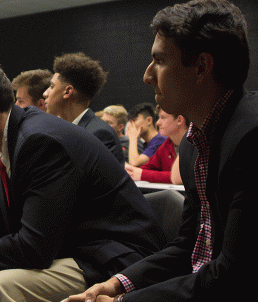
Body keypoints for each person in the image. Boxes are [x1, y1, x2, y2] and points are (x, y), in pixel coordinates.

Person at [0, 56, 165, 302]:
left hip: (113, 256)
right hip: (75, 245)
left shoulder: (40, 141)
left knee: (2, 285)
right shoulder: (6, 139)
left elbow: (35, 248)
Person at [65, 1, 256, 301]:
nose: (147, 75)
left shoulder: (251, 139)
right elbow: (188, 247)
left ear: (202, 67)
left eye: (160, 61)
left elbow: (234, 275)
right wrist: (117, 284)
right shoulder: (195, 144)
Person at [0, 69, 53, 192]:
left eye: (21, 101)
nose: (15, 107)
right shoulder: (9, 137)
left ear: (41, 105)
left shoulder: (41, 141)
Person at [43, 52, 124, 164]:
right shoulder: (60, 129)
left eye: (52, 86)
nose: (45, 93)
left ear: (67, 92)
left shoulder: (99, 134)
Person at [125, 105, 189, 183]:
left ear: (179, 120)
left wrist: (142, 174)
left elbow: (182, 177)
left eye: (163, 118)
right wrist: (130, 170)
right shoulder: (167, 144)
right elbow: (144, 168)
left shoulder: (195, 144)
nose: (158, 123)